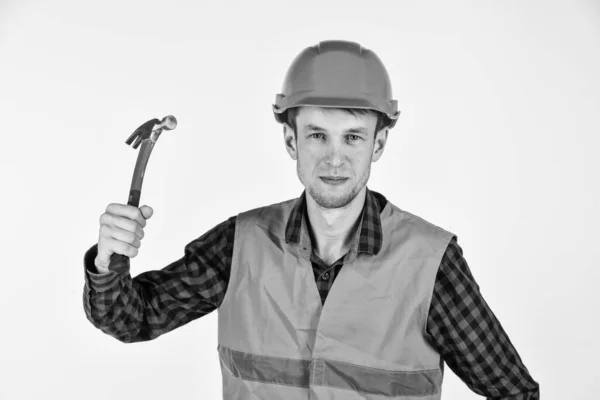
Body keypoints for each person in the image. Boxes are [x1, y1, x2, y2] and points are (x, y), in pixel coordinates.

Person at [83, 40, 540, 399]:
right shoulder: (240, 245)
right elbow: (131, 319)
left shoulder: (430, 262)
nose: (335, 159)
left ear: (377, 146)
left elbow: (514, 391)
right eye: (317, 135)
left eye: (354, 137)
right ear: (290, 140)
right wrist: (108, 260)